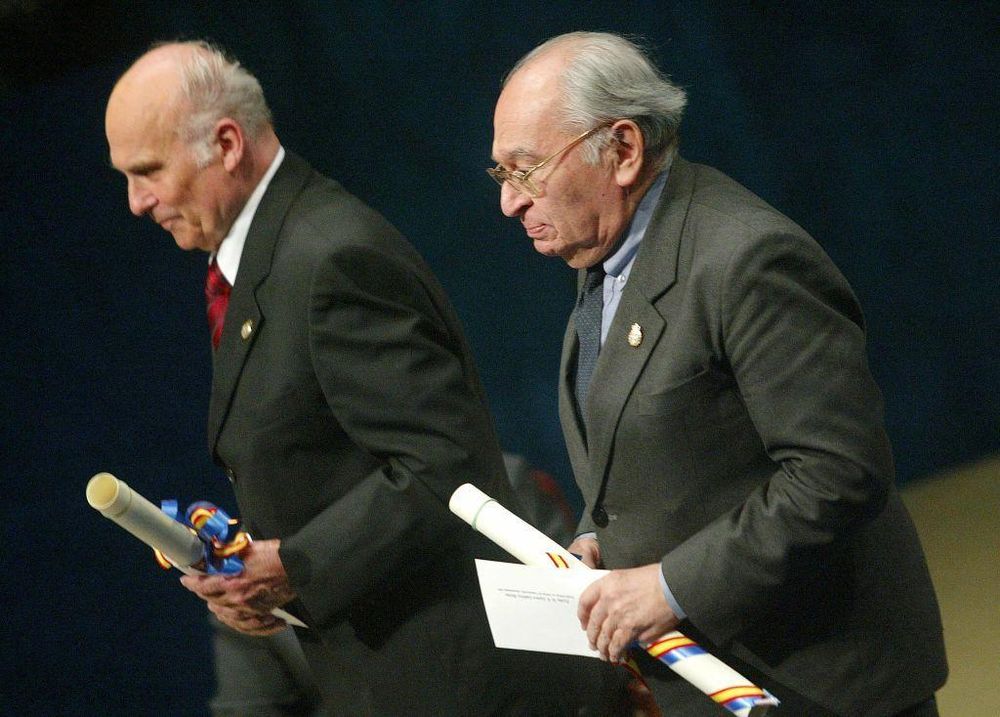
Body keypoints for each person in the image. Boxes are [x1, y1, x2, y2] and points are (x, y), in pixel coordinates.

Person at [105, 41, 628, 715]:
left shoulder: (330, 257)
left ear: (227, 143)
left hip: (466, 689)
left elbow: (444, 467)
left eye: (146, 171)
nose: (136, 202)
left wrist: (295, 565)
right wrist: (264, 583)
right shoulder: (263, 261)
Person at [487, 31, 947, 716]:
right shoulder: (605, 258)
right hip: (713, 682)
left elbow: (838, 472)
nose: (510, 203)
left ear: (622, 149)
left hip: (823, 683)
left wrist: (667, 586)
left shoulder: (746, 258)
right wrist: (597, 535)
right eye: (501, 175)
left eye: (525, 171)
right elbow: (632, 440)